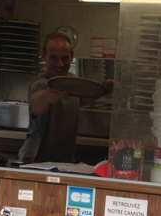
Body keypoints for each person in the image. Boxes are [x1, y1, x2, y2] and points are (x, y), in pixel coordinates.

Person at [18, 32, 112, 164]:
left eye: (65, 58)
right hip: (35, 161)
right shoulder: (40, 83)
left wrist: (104, 90)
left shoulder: (71, 81)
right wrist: (47, 97)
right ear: (43, 56)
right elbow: (36, 106)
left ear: (72, 56)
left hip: (64, 162)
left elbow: (79, 100)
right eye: (54, 58)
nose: (60, 64)